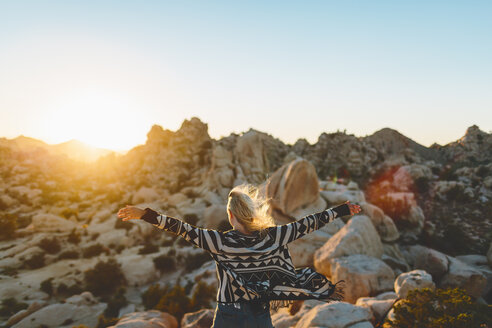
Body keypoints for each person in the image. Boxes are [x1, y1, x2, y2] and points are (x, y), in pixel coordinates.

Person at [117, 184, 361, 328]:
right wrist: (341, 210)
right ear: (251, 215)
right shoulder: (273, 237)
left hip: (229, 314)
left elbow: (180, 228)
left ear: (231, 216)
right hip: (260, 313)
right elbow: (308, 223)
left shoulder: (220, 242)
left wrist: (145, 214)